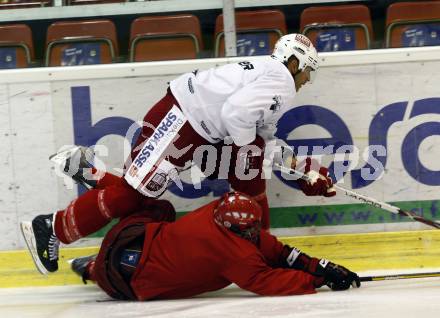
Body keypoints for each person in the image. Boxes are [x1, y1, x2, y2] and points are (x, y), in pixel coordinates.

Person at [20, 33, 336, 275]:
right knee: (134, 197)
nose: (308, 79)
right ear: (293, 62)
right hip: (181, 121)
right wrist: (246, 155)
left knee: (144, 198)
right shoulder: (280, 80)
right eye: (308, 70)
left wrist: (301, 167)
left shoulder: (270, 76)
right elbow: (238, 116)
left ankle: (91, 174)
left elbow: (264, 136)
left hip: (190, 125)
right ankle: (51, 226)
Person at [68, 191, 360, 300]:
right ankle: (94, 268)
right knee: (137, 268)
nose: (255, 233)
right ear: (238, 231)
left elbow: (276, 251)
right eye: (250, 230)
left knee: (160, 208)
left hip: (124, 236)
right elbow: (271, 279)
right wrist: (317, 278)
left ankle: (100, 182)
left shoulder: (218, 209)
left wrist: (321, 265)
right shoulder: (236, 255)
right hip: (122, 280)